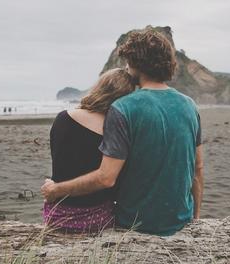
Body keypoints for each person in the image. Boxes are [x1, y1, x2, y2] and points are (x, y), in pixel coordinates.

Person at [41, 29, 204, 236]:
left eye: (128, 62)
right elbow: (198, 170)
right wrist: (195, 218)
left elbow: (106, 178)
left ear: (137, 63)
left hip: (134, 223)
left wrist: (56, 190)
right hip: (181, 219)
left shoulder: (123, 108)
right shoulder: (190, 105)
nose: (126, 67)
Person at [42, 68, 135, 233]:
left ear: (99, 87)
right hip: (96, 219)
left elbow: (59, 164)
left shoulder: (62, 117)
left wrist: (55, 187)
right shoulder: (115, 130)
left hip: (56, 215)